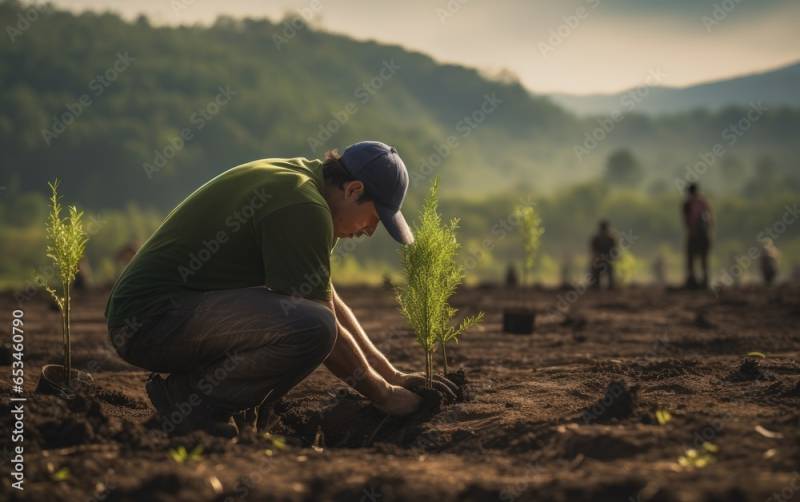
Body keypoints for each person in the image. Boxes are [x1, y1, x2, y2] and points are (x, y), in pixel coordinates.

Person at [105, 141, 458, 437]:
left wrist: (392, 374)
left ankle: (208, 400)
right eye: (374, 219)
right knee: (314, 328)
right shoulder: (303, 205)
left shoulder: (304, 183)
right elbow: (324, 323)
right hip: (150, 320)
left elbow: (326, 296)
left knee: (315, 318)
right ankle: (190, 402)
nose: (368, 231)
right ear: (353, 190)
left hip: (167, 313)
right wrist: (384, 396)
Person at [682, 183, 712, 289]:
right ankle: (705, 281)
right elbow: (711, 219)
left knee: (691, 258)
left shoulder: (688, 203)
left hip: (694, 234)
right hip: (705, 234)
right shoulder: (704, 202)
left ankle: (692, 280)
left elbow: (686, 221)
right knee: (704, 259)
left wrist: (692, 232)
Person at [589, 220, 618, 289]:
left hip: (605, 260)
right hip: (601, 259)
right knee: (597, 270)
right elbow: (594, 251)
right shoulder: (609, 238)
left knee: (606, 269)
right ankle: (598, 285)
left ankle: (608, 285)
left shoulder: (609, 238)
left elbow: (614, 251)